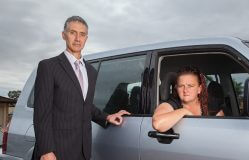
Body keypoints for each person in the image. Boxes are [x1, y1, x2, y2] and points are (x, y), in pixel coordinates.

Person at [33, 16, 130, 160]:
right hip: (57, 151)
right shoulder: (48, 67)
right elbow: (42, 114)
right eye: (73, 32)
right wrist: (46, 150)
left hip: (83, 150)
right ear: (63, 35)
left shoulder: (91, 71)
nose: (78, 38)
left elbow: (85, 105)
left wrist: (107, 116)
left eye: (82, 34)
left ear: (86, 38)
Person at [152, 66, 223, 132]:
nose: (185, 90)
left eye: (190, 86)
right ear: (176, 88)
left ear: (199, 89)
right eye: (181, 86)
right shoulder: (172, 104)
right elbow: (157, 124)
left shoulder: (211, 104)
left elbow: (222, 130)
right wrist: (184, 111)